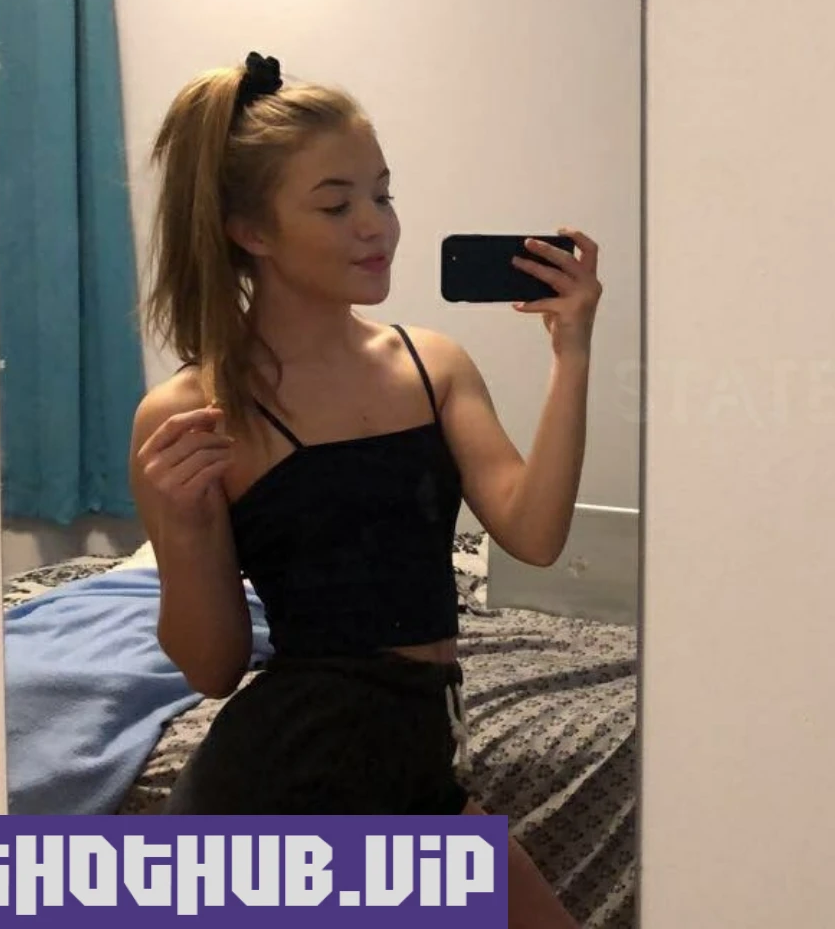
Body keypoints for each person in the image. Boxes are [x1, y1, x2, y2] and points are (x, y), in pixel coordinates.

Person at [128, 52, 595, 929]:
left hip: (418, 762)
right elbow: (213, 668)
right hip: (290, 785)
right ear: (251, 230)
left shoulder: (431, 365)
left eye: (382, 194)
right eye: (336, 205)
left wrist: (573, 353)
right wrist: (185, 533)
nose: (376, 226)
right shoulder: (194, 410)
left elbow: (534, 534)